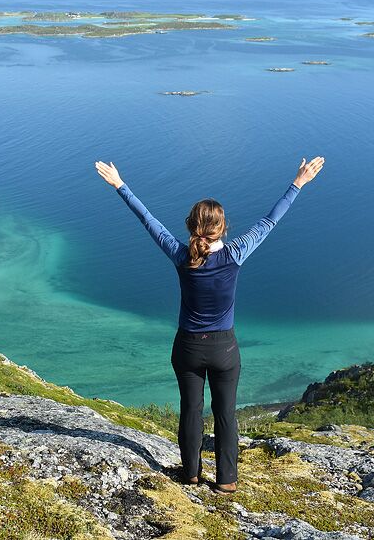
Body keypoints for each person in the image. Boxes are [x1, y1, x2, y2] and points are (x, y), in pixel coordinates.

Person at [94, 156, 324, 494]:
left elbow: (148, 219)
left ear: (190, 227)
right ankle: (227, 481)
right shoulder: (236, 253)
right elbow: (270, 221)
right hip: (224, 349)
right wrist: (298, 182)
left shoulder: (180, 254)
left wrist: (120, 185)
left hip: (187, 347)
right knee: (226, 415)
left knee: (190, 410)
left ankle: (190, 474)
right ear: (222, 228)